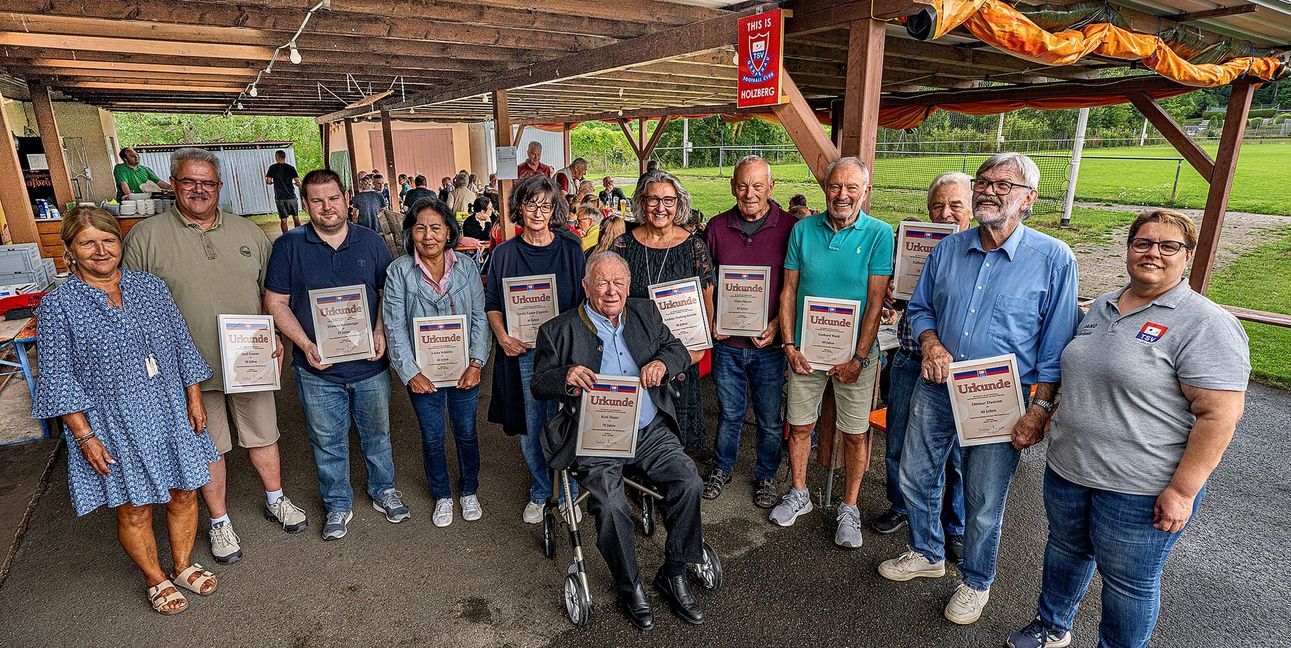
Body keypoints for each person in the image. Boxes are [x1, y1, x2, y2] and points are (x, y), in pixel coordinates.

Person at [1006, 209, 1249, 648]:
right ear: (1129, 249)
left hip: (1139, 487)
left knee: (1128, 584)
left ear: (1188, 256)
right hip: (1070, 468)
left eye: (1168, 246)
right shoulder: (1104, 304)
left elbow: (1220, 415)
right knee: (1065, 551)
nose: (1153, 252)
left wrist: (1183, 491)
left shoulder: (1204, 323)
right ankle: (1052, 625)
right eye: (1143, 243)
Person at [879, 153, 1081, 626]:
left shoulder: (1053, 259)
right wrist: (930, 345)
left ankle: (975, 581)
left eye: (1003, 185)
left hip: (1001, 398)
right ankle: (927, 551)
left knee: (985, 498)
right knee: (914, 472)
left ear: (1029, 199)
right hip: (938, 384)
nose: (989, 190)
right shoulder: (949, 250)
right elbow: (922, 309)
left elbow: (1055, 347)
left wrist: (1041, 409)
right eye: (983, 181)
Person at [123, 147, 306, 566]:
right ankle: (220, 521)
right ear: (174, 185)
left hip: (249, 358)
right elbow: (131, 308)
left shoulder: (248, 234)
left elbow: (270, 295)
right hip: (186, 371)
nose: (199, 190)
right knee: (210, 447)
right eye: (189, 181)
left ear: (219, 187)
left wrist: (275, 333)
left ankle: (276, 499)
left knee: (264, 433)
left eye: (207, 182)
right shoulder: (146, 237)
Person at [33, 206, 218, 615]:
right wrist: (83, 434)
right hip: (111, 421)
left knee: (184, 491)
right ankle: (156, 578)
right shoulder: (58, 305)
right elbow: (58, 376)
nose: (100, 250)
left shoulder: (149, 287)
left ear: (120, 243)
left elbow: (181, 343)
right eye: (87, 242)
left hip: (169, 409)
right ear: (70, 249)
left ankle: (184, 565)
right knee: (134, 506)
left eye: (109, 239)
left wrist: (194, 397)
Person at [532, 251, 707, 630]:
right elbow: (539, 383)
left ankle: (674, 571)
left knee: (689, 480)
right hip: (596, 439)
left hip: (647, 431)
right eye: (602, 282)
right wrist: (566, 374)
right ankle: (630, 587)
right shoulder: (558, 330)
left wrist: (664, 363)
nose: (611, 291)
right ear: (586, 285)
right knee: (611, 507)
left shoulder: (645, 313)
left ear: (628, 287)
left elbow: (676, 349)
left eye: (619, 283)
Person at [263, 169, 409, 541]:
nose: (326, 207)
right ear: (306, 204)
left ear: (347, 199)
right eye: (316, 200)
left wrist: (380, 331)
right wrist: (306, 344)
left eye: (332, 198)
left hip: (369, 365)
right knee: (327, 439)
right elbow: (276, 302)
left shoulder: (371, 242)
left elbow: (385, 292)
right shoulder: (289, 245)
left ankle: (383, 490)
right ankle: (337, 503)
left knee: (377, 433)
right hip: (317, 368)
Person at [771, 156, 893, 549]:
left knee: (855, 434)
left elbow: (876, 302)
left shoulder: (879, 234)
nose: (842, 195)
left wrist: (859, 358)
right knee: (800, 426)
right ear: (826, 189)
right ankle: (799, 493)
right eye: (835, 186)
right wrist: (789, 344)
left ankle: (850, 506)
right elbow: (788, 290)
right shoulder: (803, 230)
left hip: (855, 356)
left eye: (851, 188)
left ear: (865, 192)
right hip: (806, 350)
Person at [871, 172, 973, 563]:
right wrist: (892, 295)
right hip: (910, 358)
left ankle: (955, 525)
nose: (945, 213)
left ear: (970, 210)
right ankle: (902, 506)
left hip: (957, 370)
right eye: (937, 205)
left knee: (955, 455)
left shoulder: (979, 253)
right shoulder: (907, 245)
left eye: (955, 205)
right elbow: (900, 305)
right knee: (898, 441)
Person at [383, 198, 491, 528]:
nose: (428, 235)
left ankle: (468, 489)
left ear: (448, 232)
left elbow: (478, 318)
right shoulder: (399, 271)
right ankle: (443, 494)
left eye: (436, 227)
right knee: (432, 437)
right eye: (420, 228)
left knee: (466, 433)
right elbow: (394, 326)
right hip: (423, 375)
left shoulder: (467, 268)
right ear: (410, 233)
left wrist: (476, 363)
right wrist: (410, 373)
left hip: (463, 372)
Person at [485, 174, 586, 523]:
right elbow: (493, 303)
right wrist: (502, 337)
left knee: (567, 420)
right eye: (530, 204)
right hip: (523, 353)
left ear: (555, 208)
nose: (538, 212)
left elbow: (583, 303)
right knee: (532, 424)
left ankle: (568, 489)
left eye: (545, 205)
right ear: (519, 208)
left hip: (565, 354)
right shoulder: (504, 254)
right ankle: (542, 490)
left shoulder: (571, 249)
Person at [702, 155, 794, 507]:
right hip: (727, 343)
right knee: (729, 412)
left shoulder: (789, 228)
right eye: (742, 185)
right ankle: (722, 467)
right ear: (732, 187)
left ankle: (766, 475)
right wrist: (713, 318)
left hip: (768, 345)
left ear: (771, 187)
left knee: (770, 418)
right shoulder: (716, 227)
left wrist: (777, 326)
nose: (750, 193)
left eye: (758, 185)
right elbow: (705, 279)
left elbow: (794, 285)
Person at [609, 170, 714, 458]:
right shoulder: (623, 245)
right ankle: (642, 478)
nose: (660, 207)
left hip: (679, 352)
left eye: (668, 200)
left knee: (677, 426)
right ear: (642, 202)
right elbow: (610, 296)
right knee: (640, 424)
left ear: (679, 204)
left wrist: (700, 345)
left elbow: (706, 299)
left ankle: (676, 481)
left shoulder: (694, 246)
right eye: (653, 199)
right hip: (633, 353)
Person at [264, 150, 302, 234]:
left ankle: (285, 237)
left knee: (283, 220)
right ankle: (299, 236)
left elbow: (268, 181)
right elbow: (298, 182)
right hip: (291, 197)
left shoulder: (272, 168)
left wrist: (276, 181)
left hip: (280, 198)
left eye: (275, 156)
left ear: (277, 157)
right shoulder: (291, 168)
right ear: (284, 157)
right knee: (296, 217)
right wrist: (296, 184)